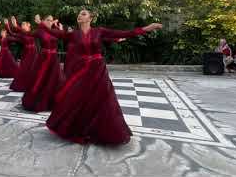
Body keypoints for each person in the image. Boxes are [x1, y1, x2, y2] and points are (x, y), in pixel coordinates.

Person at [41, 8, 162, 145]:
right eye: (79, 14)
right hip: (83, 71)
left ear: (90, 18)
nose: (80, 16)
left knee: (102, 100)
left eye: (83, 14)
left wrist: (147, 28)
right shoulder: (74, 34)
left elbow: (125, 33)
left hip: (98, 70)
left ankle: (103, 131)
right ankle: (78, 128)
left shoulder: (99, 31)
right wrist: (41, 24)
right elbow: (54, 33)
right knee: (77, 97)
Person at [15, 14, 64, 112]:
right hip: (43, 59)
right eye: (48, 20)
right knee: (41, 80)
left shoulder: (55, 31)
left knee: (55, 80)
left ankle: (53, 102)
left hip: (54, 60)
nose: (50, 22)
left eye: (51, 20)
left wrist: (61, 28)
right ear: (43, 21)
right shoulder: (40, 32)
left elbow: (63, 35)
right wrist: (16, 26)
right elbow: (28, 34)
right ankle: (39, 101)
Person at [6, 17, 38, 92]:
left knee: (33, 69)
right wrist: (8, 24)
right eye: (22, 25)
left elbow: (27, 33)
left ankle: (34, 84)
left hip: (33, 53)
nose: (22, 26)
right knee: (24, 69)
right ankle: (23, 84)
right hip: (26, 53)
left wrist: (16, 25)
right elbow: (11, 33)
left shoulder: (32, 32)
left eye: (24, 24)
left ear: (28, 25)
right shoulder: (22, 34)